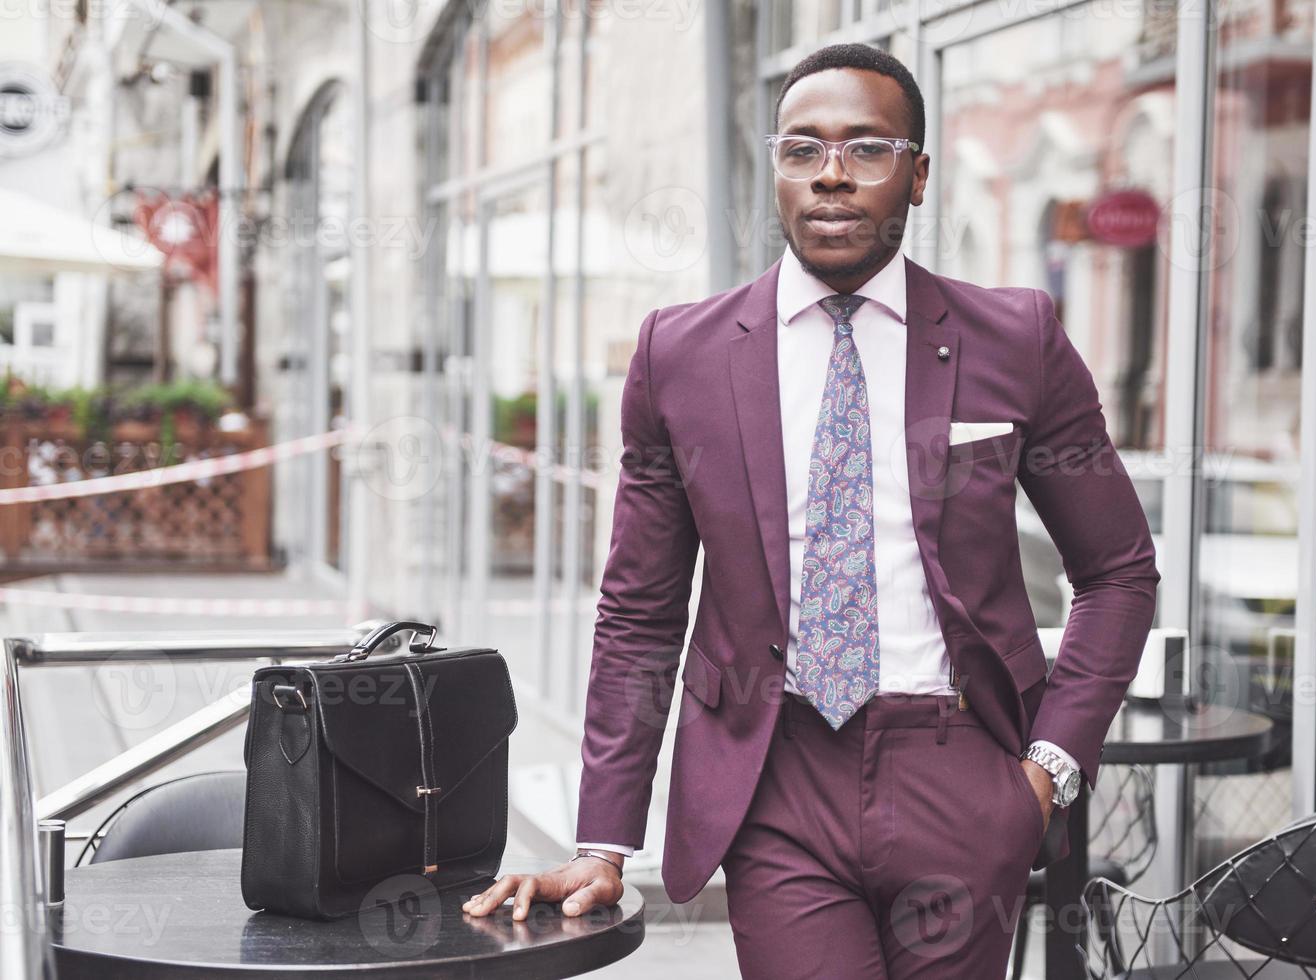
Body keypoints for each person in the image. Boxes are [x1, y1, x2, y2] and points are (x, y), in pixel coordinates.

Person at [463, 41, 1159, 978]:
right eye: (802, 149)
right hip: (775, 777)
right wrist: (603, 840)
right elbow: (639, 613)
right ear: (776, 172)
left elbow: (1117, 572)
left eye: (867, 149)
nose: (831, 175)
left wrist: (1047, 771)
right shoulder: (682, 354)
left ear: (916, 177)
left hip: (963, 771)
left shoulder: (1015, 338)